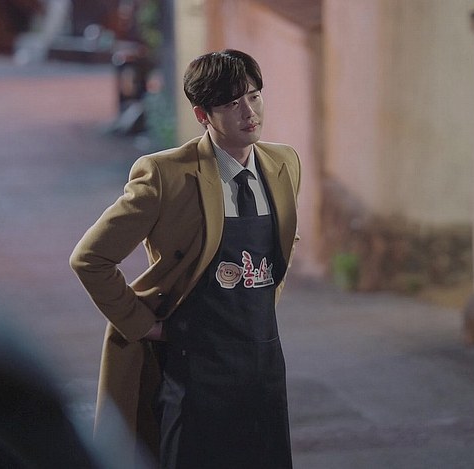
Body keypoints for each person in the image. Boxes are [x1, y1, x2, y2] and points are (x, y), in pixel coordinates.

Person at [70, 49, 301, 469]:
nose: (249, 112)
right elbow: (90, 258)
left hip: (264, 364)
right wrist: (144, 325)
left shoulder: (284, 164)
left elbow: (280, 249)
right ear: (202, 114)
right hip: (194, 370)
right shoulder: (167, 176)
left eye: (254, 96)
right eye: (231, 103)